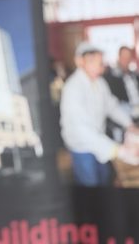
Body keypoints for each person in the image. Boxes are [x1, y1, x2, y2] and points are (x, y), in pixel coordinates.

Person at [60, 42, 139, 186]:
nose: (99, 67)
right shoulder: (73, 88)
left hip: (100, 142)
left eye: (100, 62)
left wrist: (129, 124)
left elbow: (112, 106)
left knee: (104, 179)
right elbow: (81, 130)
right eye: (94, 62)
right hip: (82, 148)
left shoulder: (100, 82)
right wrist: (118, 150)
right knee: (90, 184)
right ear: (80, 62)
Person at [103, 45, 139, 121]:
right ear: (119, 57)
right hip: (126, 113)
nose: (126, 60)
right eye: (124, 57)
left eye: (128, 57)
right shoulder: (111, 77)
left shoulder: (135, 75)